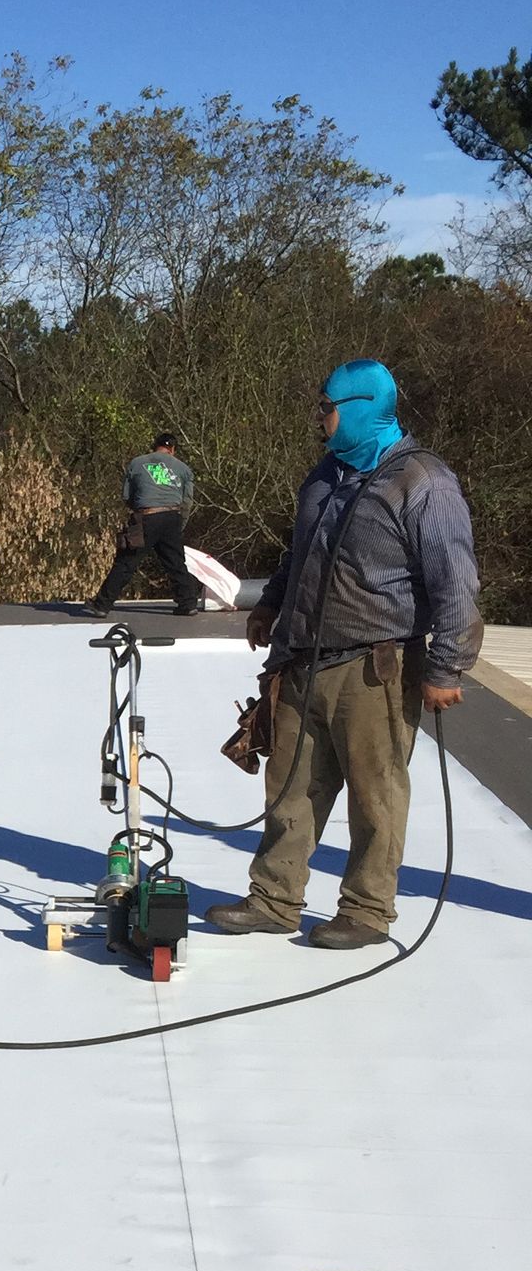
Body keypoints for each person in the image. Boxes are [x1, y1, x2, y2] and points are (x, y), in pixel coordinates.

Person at [206, 359, 481, 950]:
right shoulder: (325, 475)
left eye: (326, 407)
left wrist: (446, 666)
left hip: (374, 669)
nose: (319, 419)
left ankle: (366, 909)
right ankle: (275, 899)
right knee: (289, 787)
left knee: (374, 793)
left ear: (359, 407)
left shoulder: (423, 482)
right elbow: (300, 553)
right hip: (302, 658)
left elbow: (455, 581)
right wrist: (269, 605)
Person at [85, 433, 205, 617]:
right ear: (173, 449)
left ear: (154, 446)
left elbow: (126, 495)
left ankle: (101, 605)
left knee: (127, 561)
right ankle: (188, 604)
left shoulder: (137, 463)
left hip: (147, 516)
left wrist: (138, 511)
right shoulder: (183, 469)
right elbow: (187, 501)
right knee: (176, 563)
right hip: (172, 516)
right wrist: (179, 523)